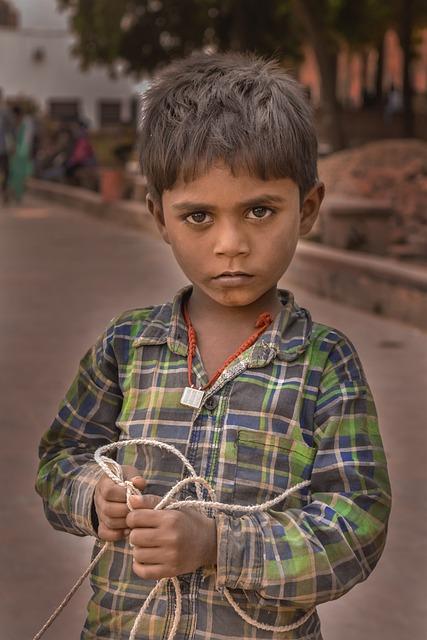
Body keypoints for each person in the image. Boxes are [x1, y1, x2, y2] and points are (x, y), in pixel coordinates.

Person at [36, 52, 391, 640]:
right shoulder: (127, 346)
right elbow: (58, 462)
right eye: (199, 216)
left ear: (307, 210)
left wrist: (218, 544)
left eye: (259, 210)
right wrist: (95, 499)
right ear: (159, 217)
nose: (231, 244)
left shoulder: (325, 364)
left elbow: (358, 528)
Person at [8, 105, 35, 203]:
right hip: (18, 153)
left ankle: (17, 195)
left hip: (22, 152)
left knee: (20, 175)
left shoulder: (27, 122)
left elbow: (27, 139)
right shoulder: (19, 123)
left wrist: (20, 150)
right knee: (15, 174)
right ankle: (15, 194)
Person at [0, 88, 14, 204]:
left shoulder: (6, 112)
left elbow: (11, 130)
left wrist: (12, 144)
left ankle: (4, 192)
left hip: (3, 147)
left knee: (6, 171)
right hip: (3, 147)